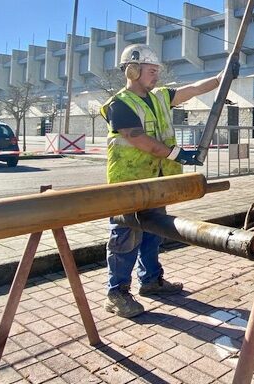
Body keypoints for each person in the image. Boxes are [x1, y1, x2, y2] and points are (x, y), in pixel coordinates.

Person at [100, 43, 236, 317]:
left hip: (156, 182)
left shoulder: (160, 97)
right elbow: (138, 138)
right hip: (129, 183)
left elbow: (194, 89)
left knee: (154, 231)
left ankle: (151, 281)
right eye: (151, 71)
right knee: (125, 236)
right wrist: (178, 154)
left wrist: (221, 78)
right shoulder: (119, 104)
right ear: (133, 70)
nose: (156, 76)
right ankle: (116, 293)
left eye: (157, 71)